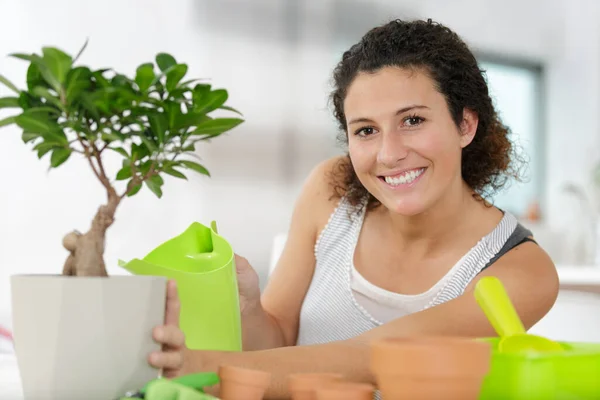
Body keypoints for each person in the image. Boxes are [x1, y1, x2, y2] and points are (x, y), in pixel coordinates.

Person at [148, 18, 559, 398]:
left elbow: (373, 359)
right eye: (366, 130)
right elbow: (276, 343)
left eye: (413, 120)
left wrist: (201, 367)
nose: (389, 153)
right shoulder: (330, 191)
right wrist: (250, 307)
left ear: (465, 125)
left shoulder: (522, 272)